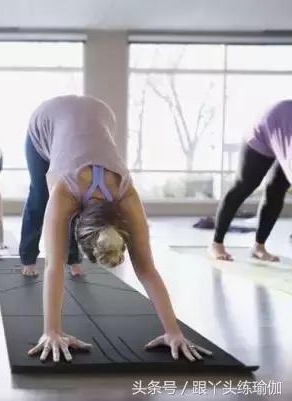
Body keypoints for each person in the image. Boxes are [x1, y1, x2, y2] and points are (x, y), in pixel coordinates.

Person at [23, 95, 212, 363]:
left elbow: (146, 268)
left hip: (102, 114)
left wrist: (174, 333)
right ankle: (25, 256)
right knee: (39, 199)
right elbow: (54, 265)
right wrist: (51, 332)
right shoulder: (63, 190)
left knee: (56, 225)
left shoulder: (127, 194)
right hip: (47, 117)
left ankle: (74, 260)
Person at [210, 100, 292, 262]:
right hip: (263, 130)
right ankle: (216, 243)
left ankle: (258, 246)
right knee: (245, 185)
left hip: (284, 133)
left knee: (276, 190)